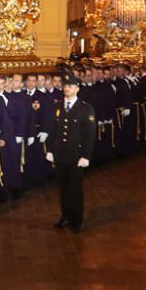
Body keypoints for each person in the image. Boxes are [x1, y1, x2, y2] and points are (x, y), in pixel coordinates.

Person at [47, 74, 96, 234]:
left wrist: (86, 156)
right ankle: (65, 216)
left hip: (77, 156)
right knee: (63, 187)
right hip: (61, 154)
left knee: (75, 188)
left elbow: (89, 134)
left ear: (77, 89)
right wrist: (50, 150)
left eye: (70, 86)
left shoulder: (85, 108)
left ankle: (76, 219)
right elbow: (53, 131)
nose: (66, 88)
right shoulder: (58, 106)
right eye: (65, 86)